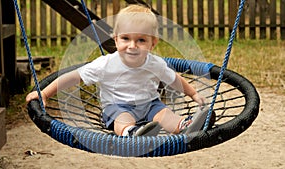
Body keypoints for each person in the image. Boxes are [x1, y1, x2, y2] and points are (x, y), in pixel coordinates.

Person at [26, 4, 211, 136]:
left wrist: (194, 95)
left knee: (164, 114)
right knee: (121, 118)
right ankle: (131, 132)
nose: (132, 46)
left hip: (150, 104)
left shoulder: (155, 64)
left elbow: (175, 80)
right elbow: (73, 77)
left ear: (153, 43)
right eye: (125, 39)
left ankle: (185, 125)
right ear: (115, 40)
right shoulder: (105, 64)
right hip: (116, 106)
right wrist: (45, 93)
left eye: (141, 40)